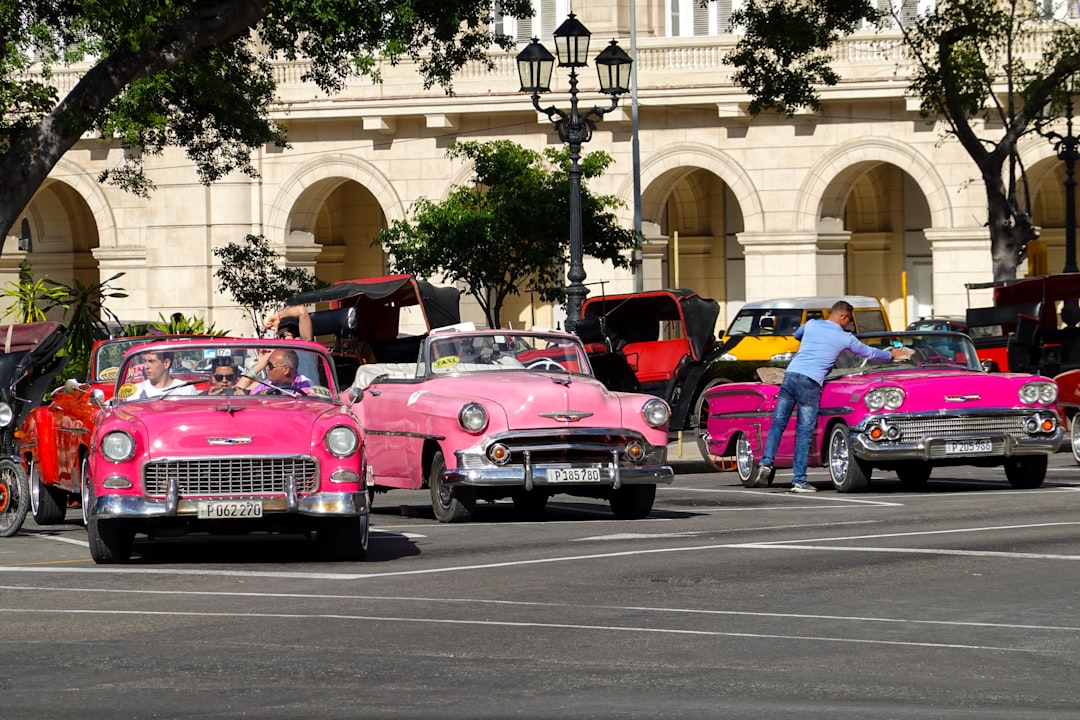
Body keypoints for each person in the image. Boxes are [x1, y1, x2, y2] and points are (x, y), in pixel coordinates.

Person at [753, 300, 912, 493]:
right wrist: (891, 355)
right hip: (810, 382)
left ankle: (766, 463)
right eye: (849, 320)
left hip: (790, 376)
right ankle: (799, 481)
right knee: (804, 432)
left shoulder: (811, 324)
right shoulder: (845, 338)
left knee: (778, 423)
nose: (849, 324)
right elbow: (868, 353)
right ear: (843, 317)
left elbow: (796, 335)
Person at [236, 348, 312, 394]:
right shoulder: (269, 383)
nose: (267, 368)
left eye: (270, 365)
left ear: (285, 370)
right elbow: (238, 392)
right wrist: (260, 365)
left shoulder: (305, 385)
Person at [131, 351, 199, 399]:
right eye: (145, 361)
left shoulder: (186, 389)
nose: (146, 366)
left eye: (151, 361)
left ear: (166, 363)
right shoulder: (137, 391)